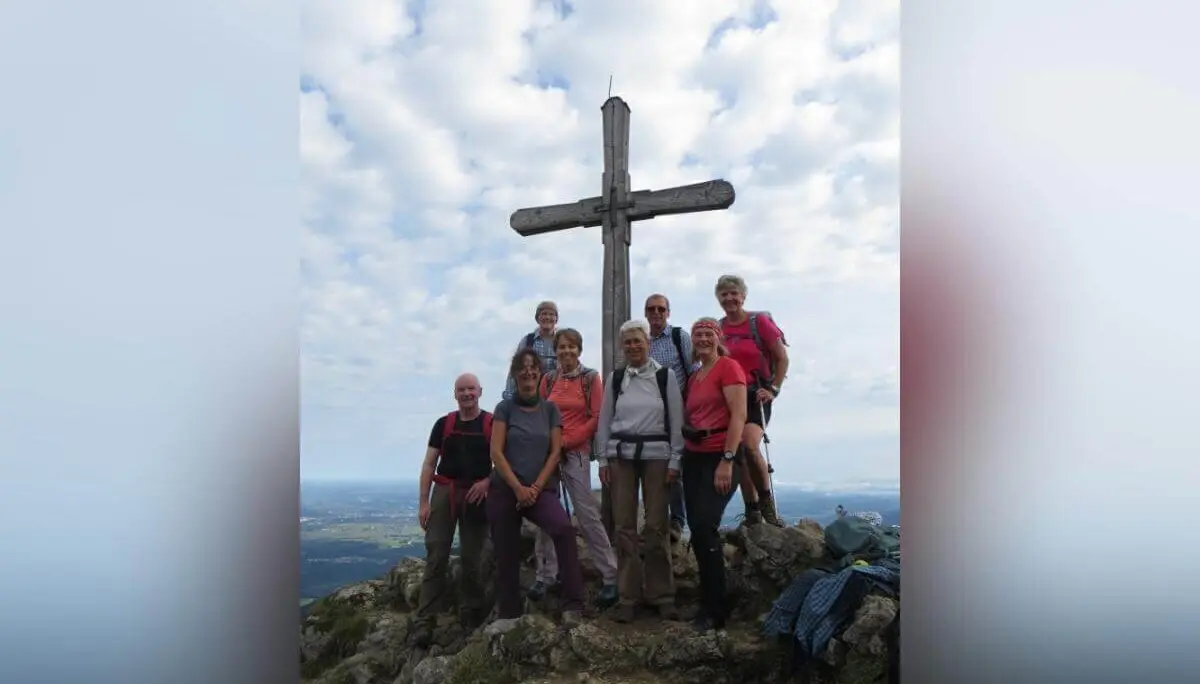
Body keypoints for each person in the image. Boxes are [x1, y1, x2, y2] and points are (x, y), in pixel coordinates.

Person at [595, 318, 685, 623]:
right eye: (628, 342)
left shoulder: (664, 376)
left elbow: (676, 420)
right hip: (621, 457)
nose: (633, 346)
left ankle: (663, 596)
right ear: (623, 346)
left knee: (657, 525)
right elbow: (605, 420)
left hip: (657, 456)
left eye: (638, 341)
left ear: (648, 343)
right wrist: (603, 460)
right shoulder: (616, 379)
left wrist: (675, 460)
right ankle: (628, 596)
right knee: (624, 526)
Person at [488, 348, 585, 627]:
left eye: (533, 367)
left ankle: (573, 603)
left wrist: (535, 488)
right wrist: (518, 488)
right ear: (515, 375)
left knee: (563, 530)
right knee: (505, 550)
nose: (528, 372)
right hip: (506, 489)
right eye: (523, 368)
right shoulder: (505, 408)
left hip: (539, 489)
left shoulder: (550, 409)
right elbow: (496, 453)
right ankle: (509, 613)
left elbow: (555, 452)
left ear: (540, 373)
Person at [527, 328, 619, 607]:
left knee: (587, 514)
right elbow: (540, 414)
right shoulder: (548, 379)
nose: (566, 351)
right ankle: (545, 576)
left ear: (579, 350)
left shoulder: (590, 378)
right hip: (548, 455)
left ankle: (610, 576)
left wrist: (568, 441)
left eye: (571, 347)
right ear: (555, 351)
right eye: (561, 347)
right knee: (546, 514)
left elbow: (596, 417)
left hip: (575, 453)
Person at [412, 373, 494, 646]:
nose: (467, 394)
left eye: (471, 389)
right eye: (461, 390)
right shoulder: (443, 424)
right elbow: (429, 463)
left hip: (477, 493)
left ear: (480, 391)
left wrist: (488, 482)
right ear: (455, 394)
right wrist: (424, 502)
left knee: (473, 557)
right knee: (436, 552)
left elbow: (504, 461)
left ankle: (473, 614)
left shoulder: (492, 423)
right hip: (445, 490)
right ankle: (425, 621)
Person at [680, 318, 748, 632]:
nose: (703, 339)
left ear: (718, 338)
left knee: (705, 525)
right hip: (694, 457)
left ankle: (716, 608)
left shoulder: (728, 367)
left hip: (721, 455)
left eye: (709, 334)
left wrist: (728, 459)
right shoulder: (695, 376)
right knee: (698, 528)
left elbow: (739, 415)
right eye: (698, 334)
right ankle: (709, 599)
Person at [715, 274, 790, 527]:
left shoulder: (759, 323)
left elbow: (782, 357)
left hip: (756, 394)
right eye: (724, 294)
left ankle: (766, 504)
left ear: (743, 296)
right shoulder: (718, 329)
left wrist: (773, 388)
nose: (729, 298)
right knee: (737, 452)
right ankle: (752, 510)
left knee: (748, 444)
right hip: (729, 397)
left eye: (734, 293)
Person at [644, 293, 695, 543]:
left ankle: (677, 520)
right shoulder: (642, 340)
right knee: (654, 466)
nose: (656, 313)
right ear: (645, 313)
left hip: (678, 410)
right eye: (651, 309)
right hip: (650, 413)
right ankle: (655, 519)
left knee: (676, 467)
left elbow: (693, 371)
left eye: (661, 309)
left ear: (668, 312)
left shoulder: (679, 337)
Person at [502, 300, 560, 400]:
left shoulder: (561, 341)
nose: (547, 317)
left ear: (556, 319)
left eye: (551, 314)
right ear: (538, 318)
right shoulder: (528, 341)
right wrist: (509, 395)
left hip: (555, 394)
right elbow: (515, 369)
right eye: (544, 314)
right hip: (530, 395)